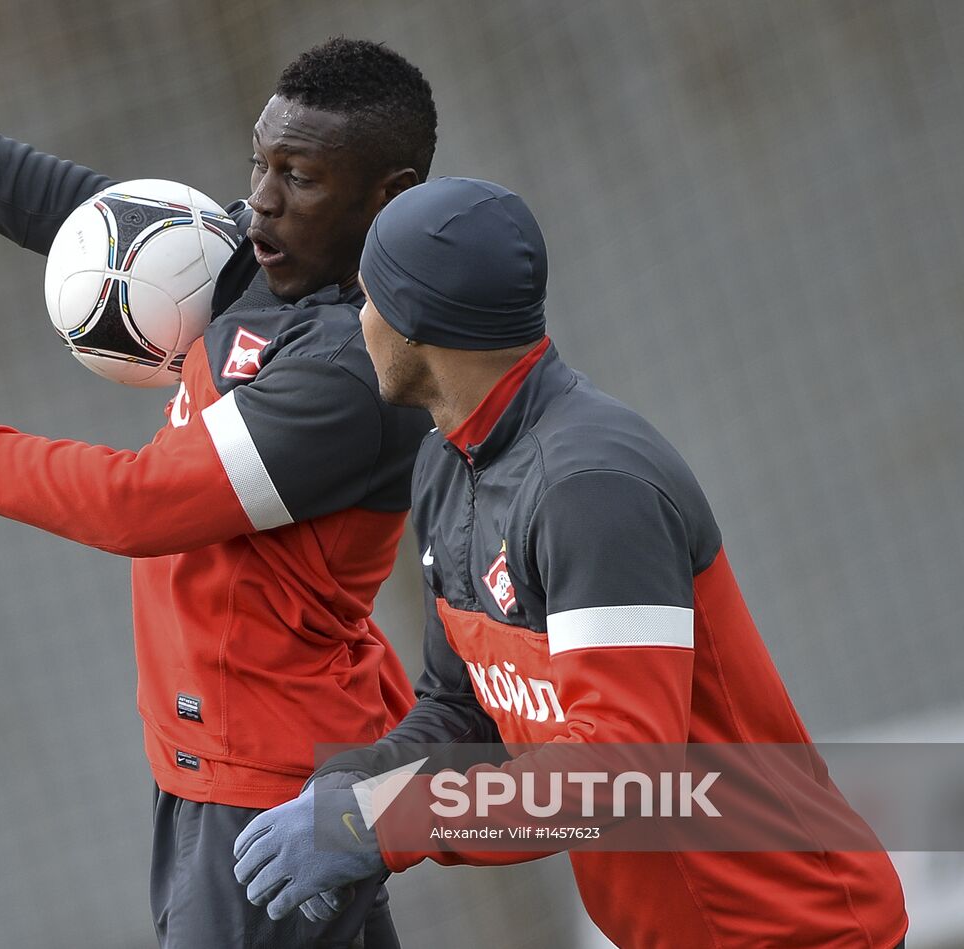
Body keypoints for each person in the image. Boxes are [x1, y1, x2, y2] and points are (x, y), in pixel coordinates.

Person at [0, 39, 445, 948]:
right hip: (236, 762)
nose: (260, 199)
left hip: (265, 794)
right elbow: (96, 227)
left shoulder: (347, 368)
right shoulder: (279, 266)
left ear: (387, 195)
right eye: (258, 164)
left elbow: (132, 506)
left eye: (298, 177)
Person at [232, 177, 910, 948]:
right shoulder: (448, 465)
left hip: (798, 932)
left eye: (368, 296)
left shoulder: (591, 488)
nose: (357, 319)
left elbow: (624, 769)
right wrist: (352, 785)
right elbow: (468, 707)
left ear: (416, 320)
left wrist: (382, 822)